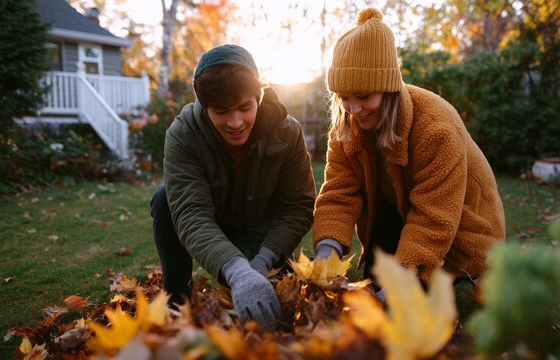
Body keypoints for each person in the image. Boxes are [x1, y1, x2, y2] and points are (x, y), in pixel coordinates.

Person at [312, 8, 506, 297]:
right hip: (399, 214)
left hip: (461, 232)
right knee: (376, 284)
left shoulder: (436, 128)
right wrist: (326, 250)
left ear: (387, 88)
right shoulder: (348, 124)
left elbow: (434, 219)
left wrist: (397, 287)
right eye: (344, 97)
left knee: (408, 299)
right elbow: (338, 191)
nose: (353, 108)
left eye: (364, 96)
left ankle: (452, 278)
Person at [150, 44, 316, 330]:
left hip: (269, 241)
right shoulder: (182, 135)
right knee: (164, 200)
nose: (236, 122)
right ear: (204, 106)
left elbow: (298, 206)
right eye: (222, 111)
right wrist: (237, 271)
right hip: (219, 231)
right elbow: (190, 212)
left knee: (283, 314)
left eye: (245, 107)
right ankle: (177, 303)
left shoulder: (288, 132)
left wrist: (264, 259)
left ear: (259, 97)